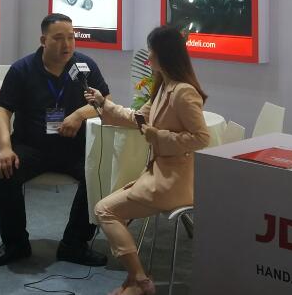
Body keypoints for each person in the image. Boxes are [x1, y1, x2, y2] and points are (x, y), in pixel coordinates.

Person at [85, 25, 210, 295]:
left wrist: (159, 136)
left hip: (173, 183)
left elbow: (201, 138)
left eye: (151, 52)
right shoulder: (165, 87)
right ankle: (136, 280)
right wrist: (103, 103)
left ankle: (139, 280)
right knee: (107, 210)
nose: (148, 57)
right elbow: (137, 118)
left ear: (164, 55)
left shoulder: (183, 92)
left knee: (105, 210)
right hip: (158, 176)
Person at [0, 13, 110, 268]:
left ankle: (74, 244)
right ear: (43, 40)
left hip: (75, 147)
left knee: (99, 173)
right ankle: (15, 244)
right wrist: (5, 148)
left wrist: (79, 115)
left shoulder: (85, 66)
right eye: (58, 38)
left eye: (71, 37)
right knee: (3, 173)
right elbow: (2, 111)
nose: (67, 44)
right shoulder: (22, 69)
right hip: (32, 146)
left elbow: (104, 102)